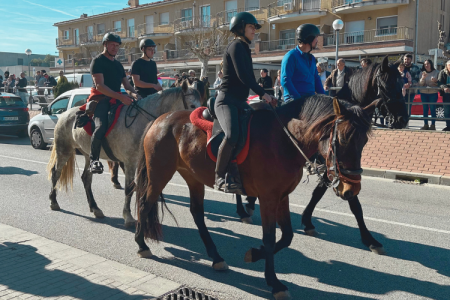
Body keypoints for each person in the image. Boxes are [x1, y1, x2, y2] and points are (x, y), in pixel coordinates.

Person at [215, 11, 276, 194]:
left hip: (240, 101)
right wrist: (264, 94)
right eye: (251, 27)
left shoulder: (245, 48)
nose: (254, 31)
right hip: (226, 101)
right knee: (232, 135)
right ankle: (219, 176)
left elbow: (249, 77)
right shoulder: (235, 46)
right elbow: (243, 77)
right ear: (240, 28)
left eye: (255, 28)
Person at [89, 32, 138, 173]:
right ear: (105, 44)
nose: (115, 48)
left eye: (117, 46)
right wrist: (121, 97)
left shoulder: (118, 65)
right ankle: (94, 160)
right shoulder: (97, 61)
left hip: (117, 99)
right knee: (100, 127)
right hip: (101, 99)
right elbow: (100, 86)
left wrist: (136, 95)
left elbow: (127, 86)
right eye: (112, 45)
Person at [281, 23, 325, 102]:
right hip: (294, 102)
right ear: (310, 38)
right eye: (316, 37)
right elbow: (285, 80)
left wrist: (325, 99)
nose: (317, 40)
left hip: (310, 101)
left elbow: (316, 79)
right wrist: (298, 100)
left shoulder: (311, 58)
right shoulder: (291, 56)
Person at [418, 59, 439, 130]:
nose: (426, 65)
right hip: (424, 93)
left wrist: (435, 81)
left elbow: (439, 83)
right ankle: (425, 125)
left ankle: (433, 125)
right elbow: (420, 84)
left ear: (431, 64)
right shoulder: (422, 73)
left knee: (433, 109)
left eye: (428, 64)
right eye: (425, 64)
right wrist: (423, 78)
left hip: (433, 93)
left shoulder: (436, 72)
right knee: (425, 109)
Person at [438, 60, 450, 131]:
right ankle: (448, 126)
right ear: (446, 66)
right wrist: (444, 87)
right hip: (446, 95)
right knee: (446, 111)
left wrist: (447, 86)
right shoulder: (442, 72)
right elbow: (439, 83)